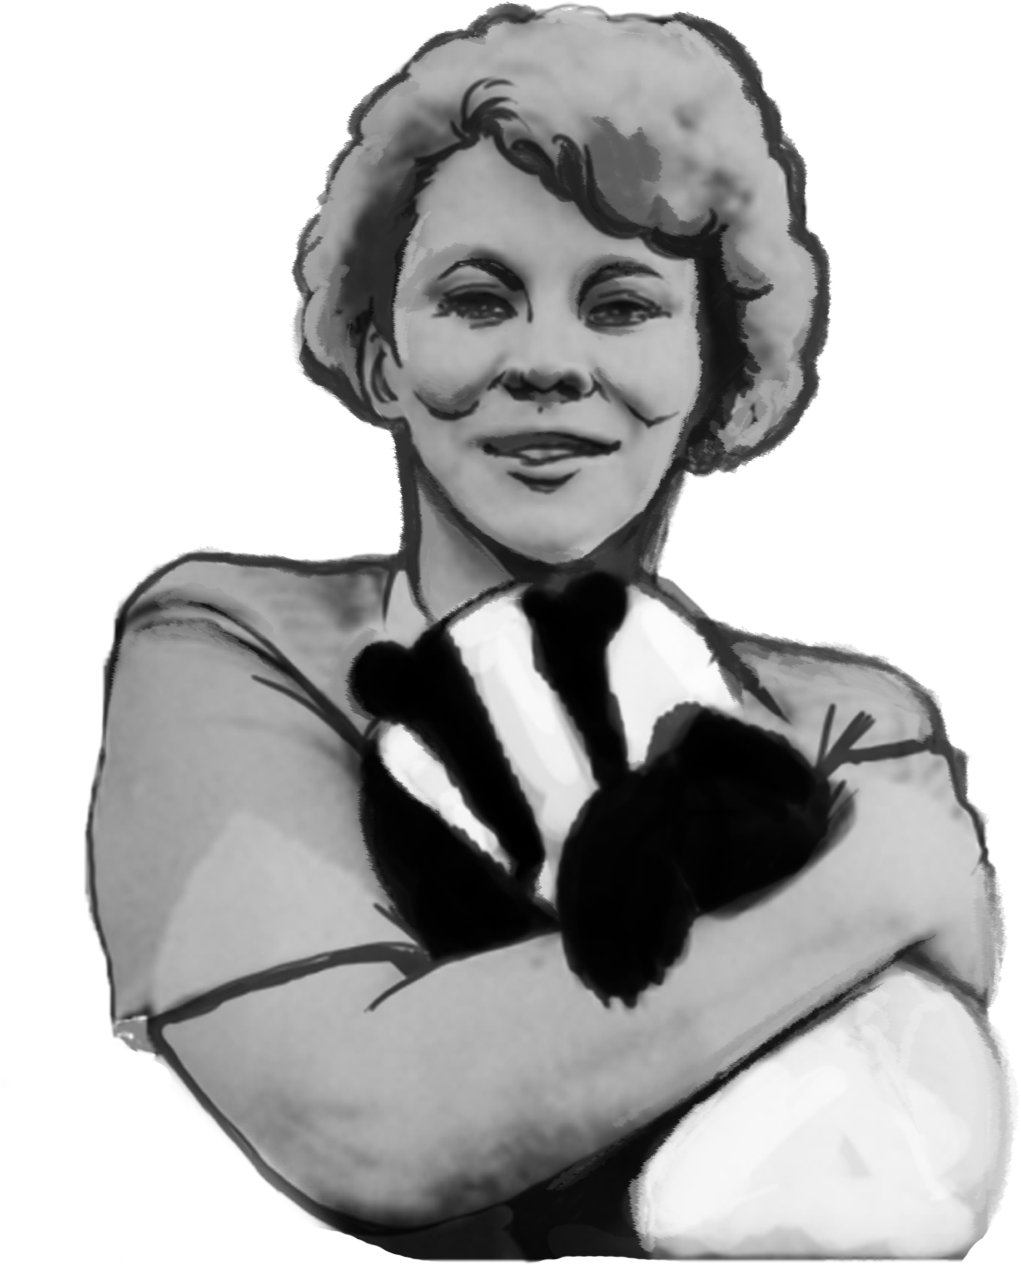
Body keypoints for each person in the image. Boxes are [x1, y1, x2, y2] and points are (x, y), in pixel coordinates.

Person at [89, 6, 1004, 1261]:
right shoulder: (234, 650)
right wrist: (865, 885)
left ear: (716, 365)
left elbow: (921, 1146)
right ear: (382, 353)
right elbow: (366, 1119)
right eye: (477, 298)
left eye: (621, 306)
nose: (548, 362)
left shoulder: (842, 706)